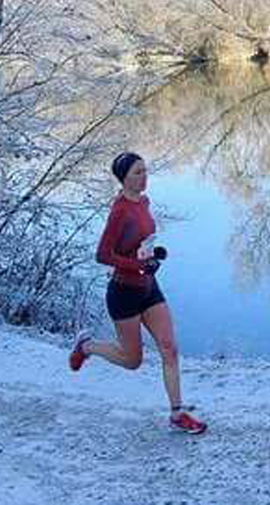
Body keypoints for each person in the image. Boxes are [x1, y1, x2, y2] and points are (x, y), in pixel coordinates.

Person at [68, 151, 207, 435]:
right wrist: (137, 265)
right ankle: (87, 347)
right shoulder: (119, 211)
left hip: (148, 287)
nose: (144, 177)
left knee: (169, 348)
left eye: (145, 171)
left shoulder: (144, 202)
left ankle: (177, 413)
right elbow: (103, 254)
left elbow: (139, 243)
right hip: (124, 293)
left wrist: (154, 255)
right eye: (137, 173)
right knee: (133, 361)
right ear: (124, 178)